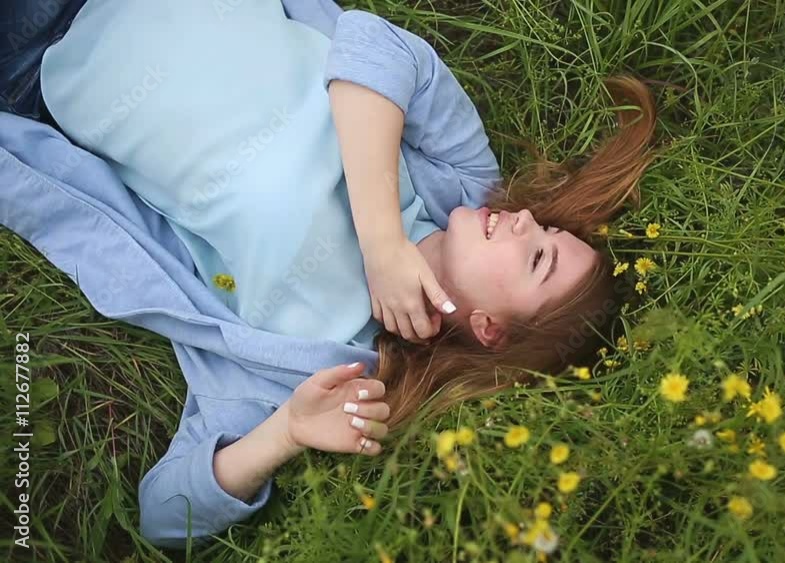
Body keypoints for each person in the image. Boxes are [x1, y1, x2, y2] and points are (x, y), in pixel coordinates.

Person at [1, 0, 659, 548]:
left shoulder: (315, 363)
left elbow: (167, 511)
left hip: (37, 62)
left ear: (489, 328)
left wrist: (283, 431)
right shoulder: (463, 188)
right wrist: (382, 240)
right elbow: (372, 46)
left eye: (537, 257)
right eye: (545, 229)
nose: (523, 223)